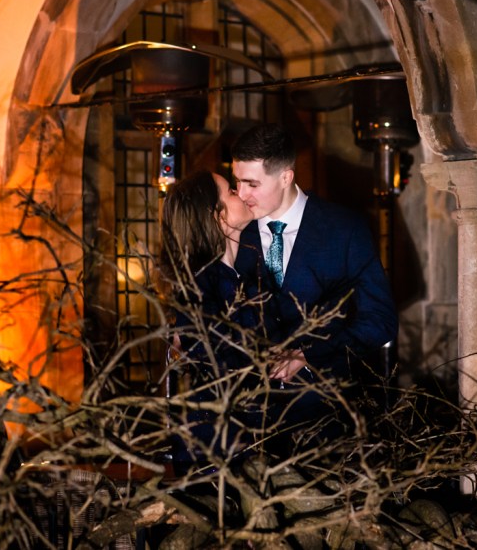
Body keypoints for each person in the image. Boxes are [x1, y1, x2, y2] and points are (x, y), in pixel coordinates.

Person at [231, 123, 398, 440]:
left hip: (327, 421)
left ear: (285, 177)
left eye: (252, 184)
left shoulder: (344, 228)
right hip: (249, 424)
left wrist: (311, 354)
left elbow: (380, 320)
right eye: (237, 182)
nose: (241, 194)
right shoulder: (234, 231)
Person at [160, 170, 264, 471]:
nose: (242, 193)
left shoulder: (233, 279)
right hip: (217, 458)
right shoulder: (203, 291)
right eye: (231, 191)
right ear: (216, 216)